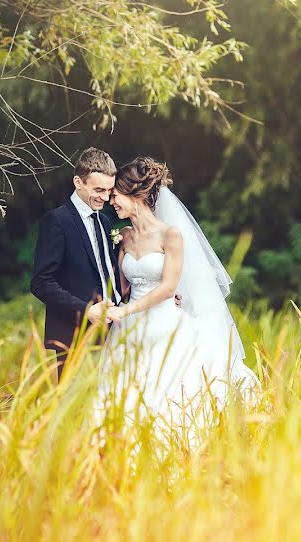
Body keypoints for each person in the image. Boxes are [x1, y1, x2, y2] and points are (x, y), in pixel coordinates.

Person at [95, 157, 259, 443]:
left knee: (166, 388)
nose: (112, 202)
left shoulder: (170, 235)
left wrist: (127, 309)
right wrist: (117, 304)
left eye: (115, 195)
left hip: (163, 321)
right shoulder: (124, 236)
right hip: (129, 327)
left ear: (136, 194)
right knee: (128, 390)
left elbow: (169, 286)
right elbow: (122, 287)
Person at [30, 147, 122, 379]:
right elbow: (41, 283)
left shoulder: (105, 221)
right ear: (78, 182)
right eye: (98, 190)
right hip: (74, 334)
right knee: (77, 411)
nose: (105, 197)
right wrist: (86, 311)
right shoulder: (57, 221)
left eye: (109, 191)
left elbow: (108, 274)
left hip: (113, 331)